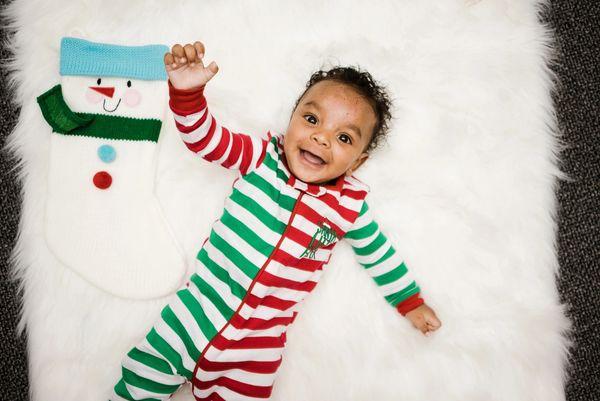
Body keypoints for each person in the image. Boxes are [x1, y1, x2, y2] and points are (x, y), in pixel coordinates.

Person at [111, 41, 441, 401]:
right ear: (292, 118)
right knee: (141, 378)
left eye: (343, 137)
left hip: (256, 345)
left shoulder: (348, 208)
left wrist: (410, 301)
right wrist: (188, 95)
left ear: (357, 162)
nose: (321, 137)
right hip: (195, 311)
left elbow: (379, 254)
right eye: (312, 119)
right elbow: (204, 139)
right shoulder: (260, 158)